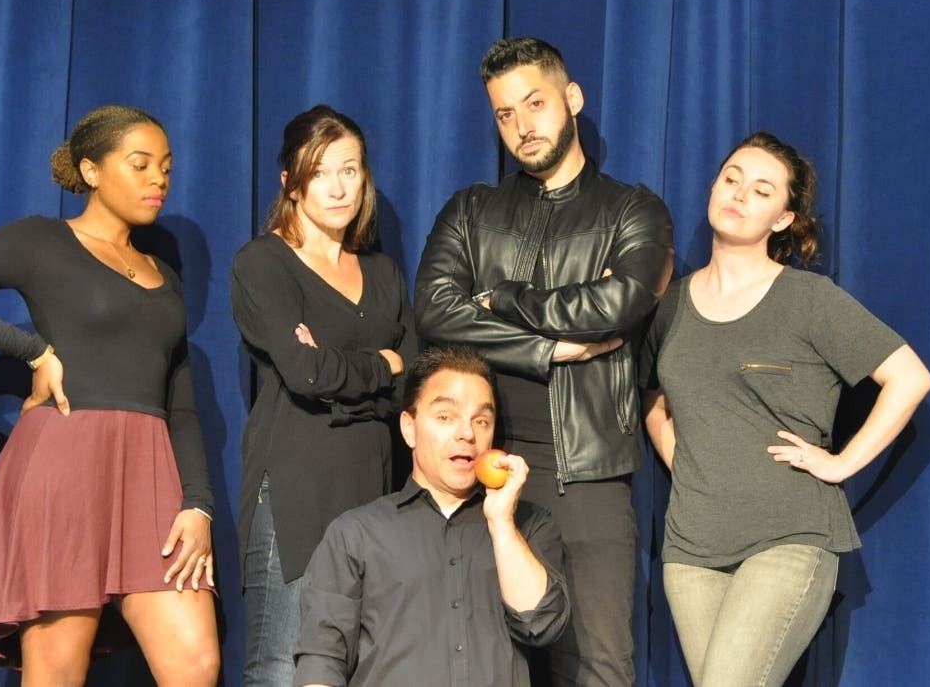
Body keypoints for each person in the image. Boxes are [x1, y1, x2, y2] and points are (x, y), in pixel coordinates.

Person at [414, 36, 674, 686]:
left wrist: (501, 299)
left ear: (572, 98)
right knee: (478, 668)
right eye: (504, 113)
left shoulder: (631, 209)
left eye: (534, 103)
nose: (522, 125)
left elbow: (620, 302)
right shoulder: (472, 210)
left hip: (586, 478)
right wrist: (547, 347)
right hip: (482, 472)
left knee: (597, 670)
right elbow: (435, 311)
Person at [642, 131, 930, 687]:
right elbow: (650, 393)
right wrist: (681, 458)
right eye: (731, 178)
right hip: (691, 550)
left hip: (788, 537)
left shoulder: (808, 299)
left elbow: (909, 377)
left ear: (783, 218)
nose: (739, 193)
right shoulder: (671, 303)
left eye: (761, 189)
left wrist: (842, 463)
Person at [0, 105, 219, 685]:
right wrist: (33, 353)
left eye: (166, 168)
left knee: (196, 664)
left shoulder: (163, 276)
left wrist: (198, 504)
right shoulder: (41, 240)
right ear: (91, 171)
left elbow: (182, 406)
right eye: (141, 164)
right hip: (63, 466)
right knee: (57, 672)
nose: (158, 179)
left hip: (150, 477)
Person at [230, 104, 415, 685]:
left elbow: (414, 377)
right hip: (296, 490)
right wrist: (381, 364)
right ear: (290, 183)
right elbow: (305, 374)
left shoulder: (383, 273)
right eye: (320, 172)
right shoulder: (264, 263)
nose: (339, 187)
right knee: (285, 667)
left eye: (351, 170)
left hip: (374, 489)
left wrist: (361, 372)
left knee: (362, 668)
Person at [294, 346, 569, 687]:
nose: (467, 434)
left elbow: (541, 623)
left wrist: (501, 523)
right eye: (445, 417)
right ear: (409, 428)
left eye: (481, 420)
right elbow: (321, 659)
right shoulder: (356, 533)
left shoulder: (529, 526)